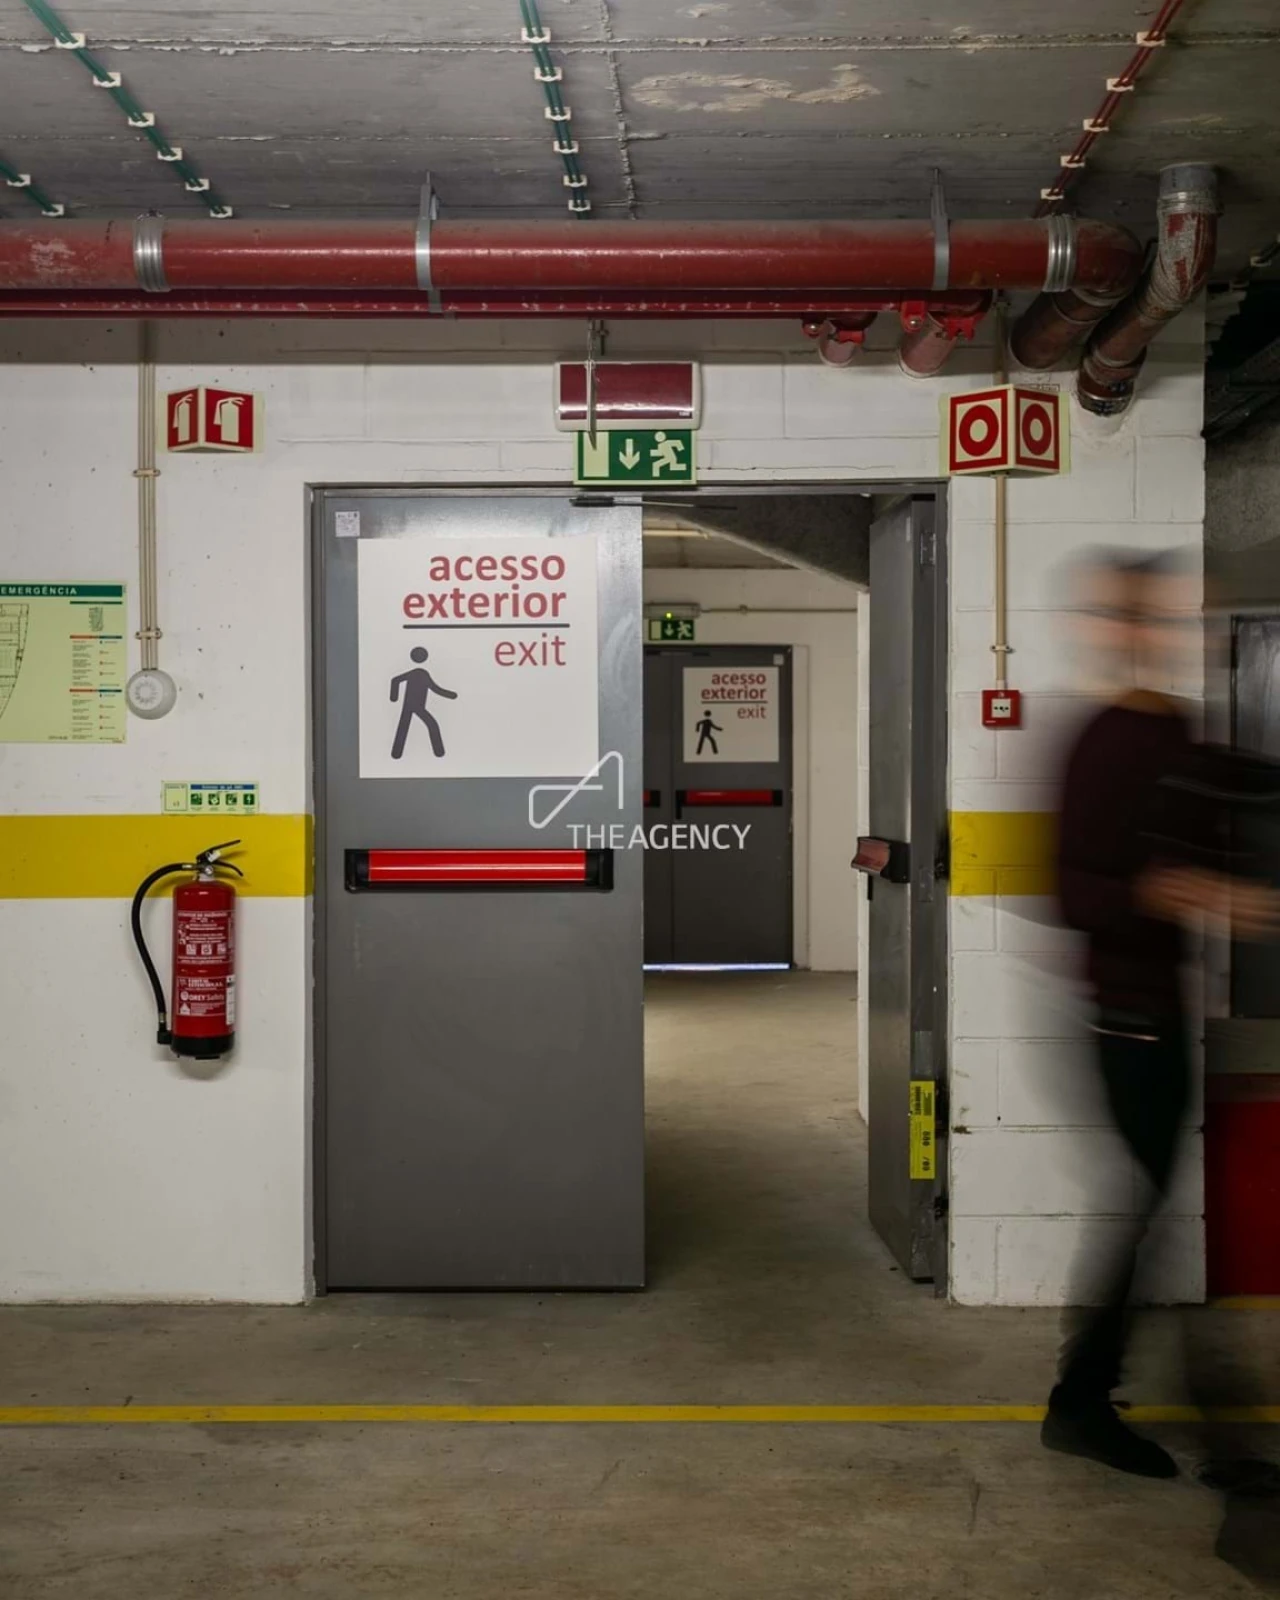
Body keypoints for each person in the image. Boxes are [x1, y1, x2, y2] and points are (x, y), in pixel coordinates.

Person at [1041, 549, 1279, 1480]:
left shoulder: (1176, 732)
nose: (1157, 633)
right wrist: (1176, 890)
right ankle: (1082, 1403)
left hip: (1162, 1014)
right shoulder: (1099, 741)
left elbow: (1240, 786)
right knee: (1139, 1207)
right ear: (1110, 628)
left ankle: (1098, 1396)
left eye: (1170, 618)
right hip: (1123, 1019)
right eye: (1139, 617)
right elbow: (1072, 892)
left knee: (1142, 1207)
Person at [390, 647, 457, 761]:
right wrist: (394, 697)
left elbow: (434, 688)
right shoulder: (417, 673)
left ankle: (397, 753)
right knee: (431, 724)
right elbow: (395, 680)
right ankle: (439, 752)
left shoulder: (422, 674)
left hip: (414, 705)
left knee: (405, 726)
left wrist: (451, 695)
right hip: (414, 705)